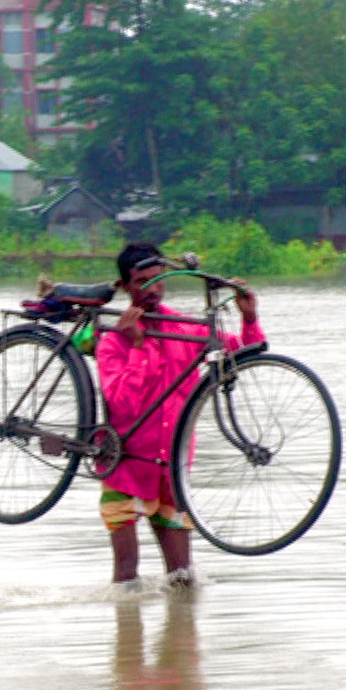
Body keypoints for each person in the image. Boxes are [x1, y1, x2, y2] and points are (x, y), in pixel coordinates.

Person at [96, 242, 264, 586]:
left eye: (159, 279)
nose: (153, 289)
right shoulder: (114, 340)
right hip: (126, 472)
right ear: (126, 286)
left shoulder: (186, 329)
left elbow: (241, 355)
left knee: (184, 581)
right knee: (127, 579)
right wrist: (139, 347)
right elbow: (122, 403)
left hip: (173, 473)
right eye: (142, 281)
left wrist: (249, 317)